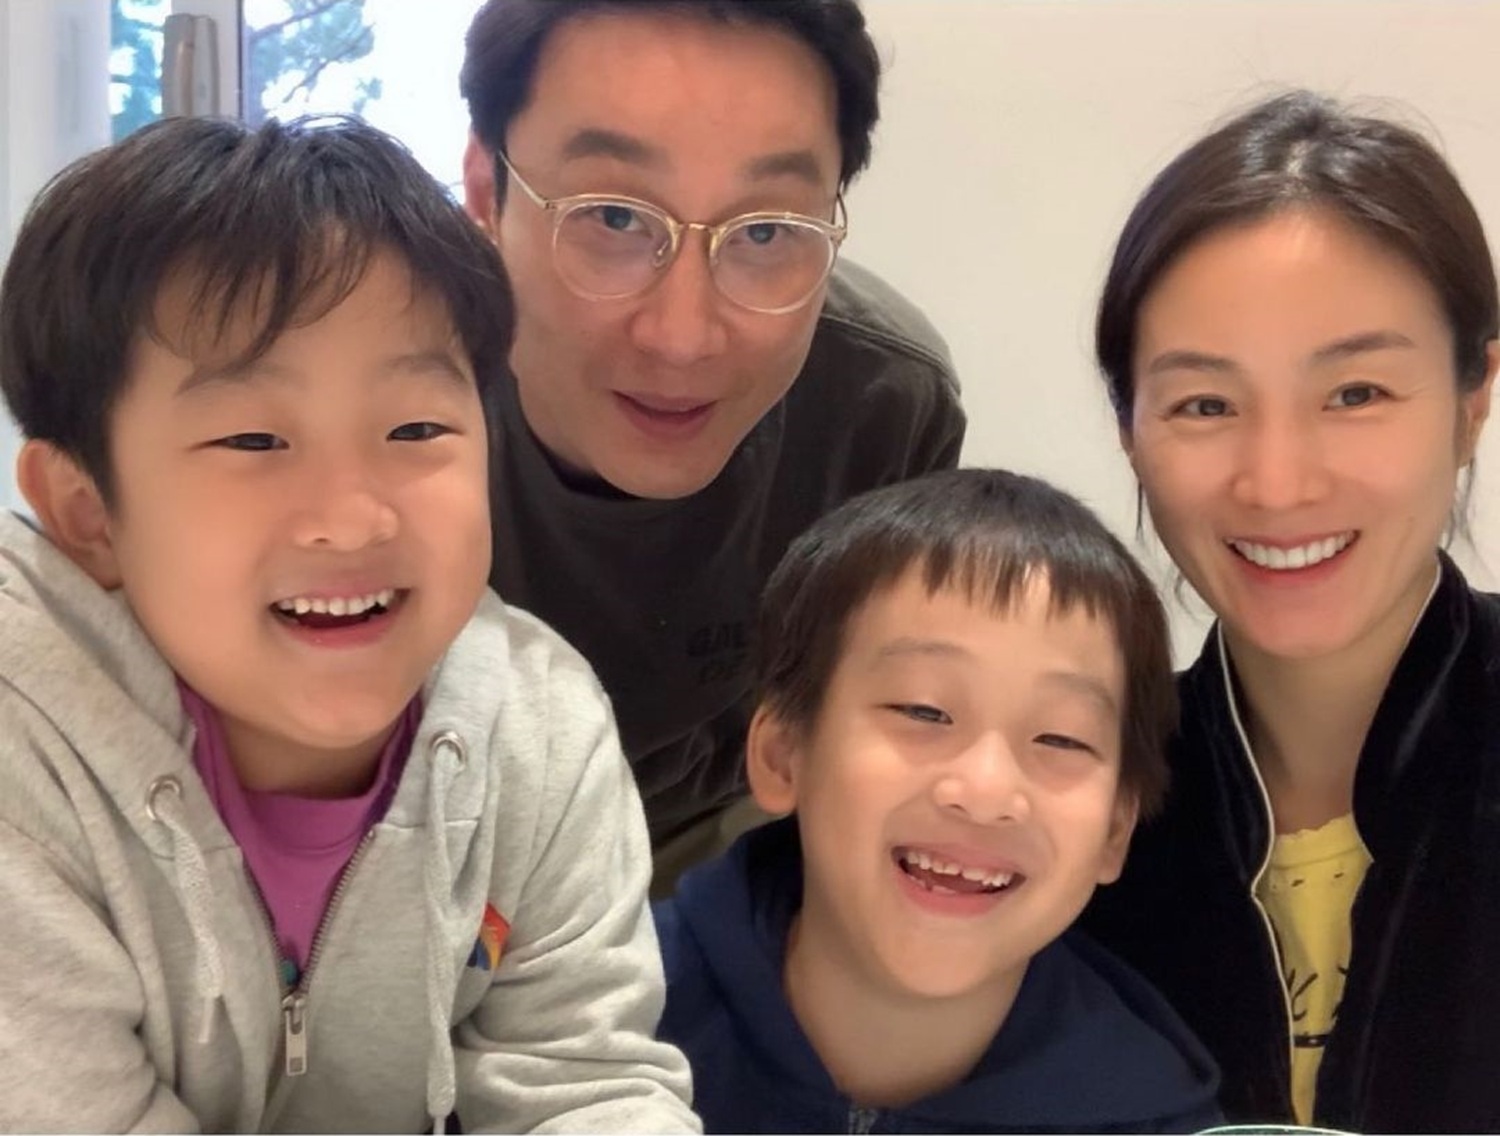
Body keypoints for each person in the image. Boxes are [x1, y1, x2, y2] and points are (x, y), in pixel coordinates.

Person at [0, 115, 697, 1133]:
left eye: (416, 428)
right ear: (87, 512)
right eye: (253, 439)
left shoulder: (536, 728)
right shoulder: (24, 761)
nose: (353, 517)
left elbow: (583, 1080)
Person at [457, 0, 967, 880]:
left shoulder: (879, 407)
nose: (683, 338)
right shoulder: (367, 396)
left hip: (717, 852)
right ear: (483, 193)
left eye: (765, 231)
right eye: (613, 217)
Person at [1080, 90, 1500, 1132]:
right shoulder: (1071, 803)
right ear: (1130, 429)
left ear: (1473, 399)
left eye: (1356, 393)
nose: (1277, 484)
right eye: (1206, 404)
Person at [654, 468, 1223, 1133]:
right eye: (924, 711)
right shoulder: (596, 1012)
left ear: (1116, 830)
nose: (986, 792)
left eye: (1061, 739)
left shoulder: (1157, 1119)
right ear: (783, 754)